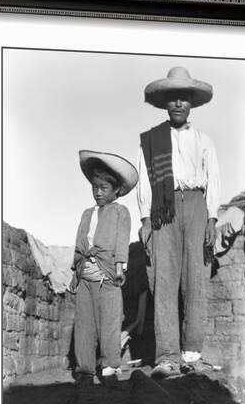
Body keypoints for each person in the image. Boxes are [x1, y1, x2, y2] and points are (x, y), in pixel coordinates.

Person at [137, 66, 221, 377]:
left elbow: (214, 179)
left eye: (183, 98)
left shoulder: (204, 140)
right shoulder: (151, 140)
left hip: (197, 205)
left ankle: (192, 352)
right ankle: (167, 356)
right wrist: (146, 218)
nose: (178, 104)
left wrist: (212, 218)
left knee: (195, 279)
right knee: (165, 281)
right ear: (165, 102)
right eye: (173, 98)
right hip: (164, 208)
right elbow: (146, 181)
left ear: (191, 104)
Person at [70, 150, 138, 386]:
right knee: (84, 324)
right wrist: (75, 272)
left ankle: (110, 364)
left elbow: (121, 243)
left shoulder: (121, 212)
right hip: (85, 278)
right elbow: (79, 243)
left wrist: (119, 268)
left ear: (116, 190)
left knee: (109, 322)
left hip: (107, 276)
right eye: (94, 187)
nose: (98, 192)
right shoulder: (87, 214)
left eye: (104, 188)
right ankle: (85, 368)